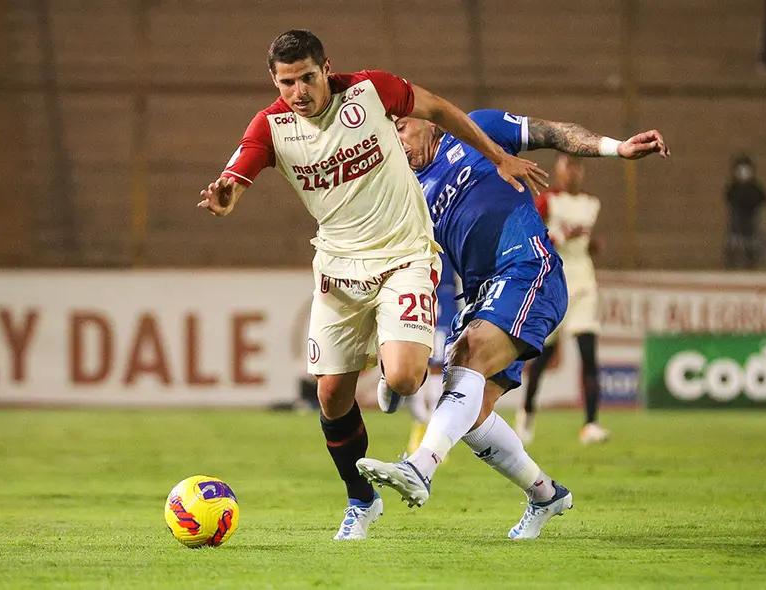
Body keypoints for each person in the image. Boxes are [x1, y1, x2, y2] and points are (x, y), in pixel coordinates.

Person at [197, 30, 546, 541]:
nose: (299, 91)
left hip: (404, 254)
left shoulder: (371, 91)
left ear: (326, 68)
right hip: (338, 268)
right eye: (287, 82)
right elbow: (238, 170)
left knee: (406, 380)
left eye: (308, 78)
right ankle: (361, 501)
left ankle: (389, 361)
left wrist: (497, 155)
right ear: (274, 81)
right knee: (332, 397)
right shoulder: (272, 127)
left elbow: (442, 110)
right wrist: (228, 194)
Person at [356, 109, 668, 539]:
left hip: (527, 267)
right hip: (484, 292)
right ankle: (545, 495)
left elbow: (555, 131)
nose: (398, 140)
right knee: (471, 409)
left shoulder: (476, 130)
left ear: (429, 120)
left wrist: (616, 147)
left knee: (469, 359)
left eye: (402, 127)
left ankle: (420, 468)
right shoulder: (410, 193)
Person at [519, 154, 608, 446]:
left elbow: (585, 244)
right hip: (555, 283)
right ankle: (527, 411)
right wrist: (558, 236)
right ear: (558, 171)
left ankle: (591, 423)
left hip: (583, 283)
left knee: (589, 354)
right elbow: (529, 233)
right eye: (567, 167)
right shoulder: (548, 202)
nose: (573, 173)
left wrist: (592, 244)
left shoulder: (591, 204)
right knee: (543, 356)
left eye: (577, 167)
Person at [406, 252, 458, 454]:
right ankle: (419, 426)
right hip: (417, 291)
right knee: (419, 360)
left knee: (439, 361)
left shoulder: (448, 224)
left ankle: (435, 436)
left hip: (445, 293)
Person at [724, 154, 766, 269]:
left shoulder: (756, 190)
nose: (743, 172)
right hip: (736, 231)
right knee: (733, 246)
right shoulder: (733, 190)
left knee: (756, 248)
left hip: (754, 230)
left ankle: (753, 267)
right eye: (740, 169)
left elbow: (763, 203)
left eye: (746, 169)